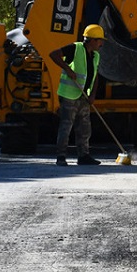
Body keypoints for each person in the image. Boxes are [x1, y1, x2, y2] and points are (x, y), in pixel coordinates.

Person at [49, 24, 106, 166]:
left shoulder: (96, 56)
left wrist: (92, 94)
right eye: (100, 40)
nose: (101, 43)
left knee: (85, 128)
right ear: (92, 40)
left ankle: (84, 156)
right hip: (69, 94)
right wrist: (67, 69)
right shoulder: (75, 48)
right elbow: (53, 55)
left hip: (84, 96)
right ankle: (61, 157)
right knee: (66, 126)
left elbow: (95, 77)